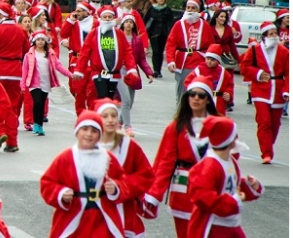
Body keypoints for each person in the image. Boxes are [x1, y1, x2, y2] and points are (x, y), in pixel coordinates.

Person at [143, 76, 219, 238]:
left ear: (208, 100)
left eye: (201, 95)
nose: (196, 98)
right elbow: (165, 162)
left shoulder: (220, 126)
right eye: (192, 94)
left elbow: (231, 160)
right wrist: (154, 194)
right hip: (183, 191)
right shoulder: (176, 127)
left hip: (212, 190)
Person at [40, 110, 129, 237]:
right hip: (74, 216)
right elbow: (47, 183)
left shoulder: (107, 158)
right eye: (85, 129)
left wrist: (116, 188)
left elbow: (123, 181)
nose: (89, 134)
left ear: (99, 135)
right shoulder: (65, 157)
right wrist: (61, 193)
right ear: (77, 132)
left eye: (94, 131)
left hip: (102, 218)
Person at [187, 116, 263, 238]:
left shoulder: (230, 161)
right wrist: (233, 202)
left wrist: (250, 186)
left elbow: (231, 185)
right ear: (230, 140)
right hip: (213, 227)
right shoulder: (208, 165)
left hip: (231, 224)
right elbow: (202, 196)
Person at [95, 99, 153, 238]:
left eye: (114, 115)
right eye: (105, 116)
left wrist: (122, 186)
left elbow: (147, 176)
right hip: (95, 212)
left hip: (125, 211)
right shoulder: (89, 147)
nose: (110, 120)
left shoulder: (129, 147)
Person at [239, 22, 289, 164]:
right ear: (265, 36)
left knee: (275, 124)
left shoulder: (284, 52)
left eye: (275, 33)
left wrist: (287, 90)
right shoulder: (255, 50)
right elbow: (244, 67)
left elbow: (288, 72)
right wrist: (258, 73)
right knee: (264, 122)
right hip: (260, 90)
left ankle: (268, 145)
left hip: (278, 91)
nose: (274, 36)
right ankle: (266, 153)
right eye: (271, 33)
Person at [0, 2, 30, 151]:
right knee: (12, 108)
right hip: (16, 71)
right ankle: (12, 142)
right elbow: (26, 50)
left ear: (2, 15)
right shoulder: (21, 30)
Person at [73, 6, 140, 101]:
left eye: (110, 17)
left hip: (114, 74)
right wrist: (79, 70)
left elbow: (127, 52)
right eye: (105, 17)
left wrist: (132, 69)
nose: (107, 19)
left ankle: (103, 114)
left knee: (109, 98)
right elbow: (84, 53)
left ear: (113, 18)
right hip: (99, 73)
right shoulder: (94, 33)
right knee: (103, 98)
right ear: (101, 18)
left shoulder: (119, 33)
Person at [20, 30, 72, 136]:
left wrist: (70, 75)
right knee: (37, 102)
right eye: (38, 40)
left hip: (46, 83)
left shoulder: (50, 54)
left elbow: (59, 66)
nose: (40, 42)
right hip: (33, 83)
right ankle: (35, 124)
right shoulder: (29, 55)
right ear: (34, 42)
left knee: (42, 104)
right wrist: (23, 84)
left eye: (42, 40)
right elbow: (24, 71)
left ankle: (39, 126)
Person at [165, 0, 215, 101]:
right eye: (188, 8)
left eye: (193, 8)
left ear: (198, 10)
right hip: (183, 62)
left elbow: (211, 45)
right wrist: (170, 61)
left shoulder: (204, 25)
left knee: (198, 89)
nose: (190, 10)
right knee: (182, 90)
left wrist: (212, 60)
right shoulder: (178, 24)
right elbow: (170, 44)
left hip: (200, 61)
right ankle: (181, 113)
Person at [116, 14, 154, 137]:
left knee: (130, 102)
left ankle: (119, 123)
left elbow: (141, 59)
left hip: (133, 72)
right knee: (126, 100)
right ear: (122, 24)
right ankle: (128, 127)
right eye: (126, 22)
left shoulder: (137, 40)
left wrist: (148, 72)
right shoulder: (116, 37)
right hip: (120, 70)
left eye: (131, 22)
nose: (128, 24)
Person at [60, 1, 96, 115]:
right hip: (77, 59)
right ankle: (81, 114)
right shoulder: (73, 22)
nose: (77, 13)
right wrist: (70, 21)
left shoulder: (95, 23)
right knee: (77, 89)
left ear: (86, 12)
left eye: (79, 11)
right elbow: (63, 33)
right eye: (76, 10)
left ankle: (91, 113)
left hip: (92, 60)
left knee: (92, 89)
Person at [144, 0, 174, 78]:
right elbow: (145, 20)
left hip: (163, 34)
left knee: (160, 52)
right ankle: (156, 70)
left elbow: (171, 22)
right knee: (155, 51)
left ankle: (159, 70)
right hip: (154, 34)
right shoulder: (152, 9)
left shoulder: (168, 10)